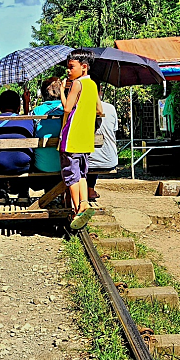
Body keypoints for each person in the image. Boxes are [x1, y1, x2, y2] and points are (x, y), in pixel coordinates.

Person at [59, 49, 103, 229]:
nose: (68, 71)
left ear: (83, 67)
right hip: (86, 138)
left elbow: (67, 107)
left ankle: (78, 210)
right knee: (82, 174)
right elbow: (99, 110)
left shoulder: (77, 84)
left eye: (71, 67)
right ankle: (84, 203)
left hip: (71, 137)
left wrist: (63, 91)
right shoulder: (93, 84)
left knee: (71, 175)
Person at [0, 90, 34, 201]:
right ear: (18, 107)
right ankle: (23, 193)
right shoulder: (28, 120)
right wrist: (26, 104)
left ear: (0, 107)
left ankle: (0, 192)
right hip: (23, 167)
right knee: (30, 155)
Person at [87, 83, 118, 199]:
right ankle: (90, 189)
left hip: (88, 163)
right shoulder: (110, 108)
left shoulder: (79, 108)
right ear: (99, 91)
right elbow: (114, 130)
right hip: (109, 160)